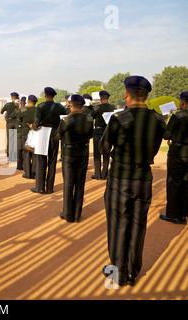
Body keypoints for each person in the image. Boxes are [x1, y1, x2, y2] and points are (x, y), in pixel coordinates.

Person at [99, 76, 166, 287]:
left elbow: (104, 148)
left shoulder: (120, 118)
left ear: (127, 95)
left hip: (120, 178)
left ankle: (117, 273)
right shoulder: (158, 120)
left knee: (118, 224)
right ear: (146, 96)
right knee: (138, 226)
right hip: (144, 178)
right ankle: (132, 273)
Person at [55, 94, 93, 223]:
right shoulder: (88, 119)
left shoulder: (66, 120)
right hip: (83, 153)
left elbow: (57, 136)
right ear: (82, 106)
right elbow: (91, 135)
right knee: (80, 184)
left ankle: (67, 214)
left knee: (68, 184)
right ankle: (77, 215)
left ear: (71, 105)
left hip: (69, 154)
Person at [31, 87, 66, 194]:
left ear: (45, 96)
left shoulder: (41, 106)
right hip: (55, 134)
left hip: (43, 134)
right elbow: (63, 122)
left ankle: (40, 187)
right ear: (53, 96)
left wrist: (34, 126)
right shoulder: (60, 107)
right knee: (52, 161)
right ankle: (50, 188)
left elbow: (36, 123)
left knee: (41, 160)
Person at [160, 91, 188, 225]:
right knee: (186, 183)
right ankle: (183, 214)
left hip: (177, 153)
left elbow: (166, 135)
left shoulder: (177, 116)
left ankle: (173, 215)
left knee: (174, 182)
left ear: (182, 102)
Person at [91, 91, 115, 180]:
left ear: (100, 98)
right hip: (108, 132)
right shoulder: (112, 107)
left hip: (98, 132)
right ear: (107, 98)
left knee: (97, 154)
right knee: (106, 153)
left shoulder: (97, 108)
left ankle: (97, 174)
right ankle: (105, 173)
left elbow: (90, 117)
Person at [19, 95, 38, 179]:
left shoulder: (24, 110)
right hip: (35, 133)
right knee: (34, 153)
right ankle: (34, 172)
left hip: (26, 132)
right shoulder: (38, 110)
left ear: (28, 102)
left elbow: (19, 119)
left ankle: (27, 173)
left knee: (26, 154)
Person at [1, 92, 19, 161]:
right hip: (17, 123)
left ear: (11, 98)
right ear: (17, 97)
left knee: (9, 139)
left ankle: (9, 155)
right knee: (16, 140)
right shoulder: (19, 104)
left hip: (9, 123)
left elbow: (2, 112)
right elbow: (24, 111)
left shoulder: (8, 104)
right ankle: (15, 155)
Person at [11, 98, 27, 170]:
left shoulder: (18, 110)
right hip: (26, 131)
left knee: (19, 149)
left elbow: (12, 116)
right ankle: (26, 166)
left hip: (19, 131)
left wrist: (18, 109)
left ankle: (20, 165)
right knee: (26, 149)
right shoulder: (26, 110)